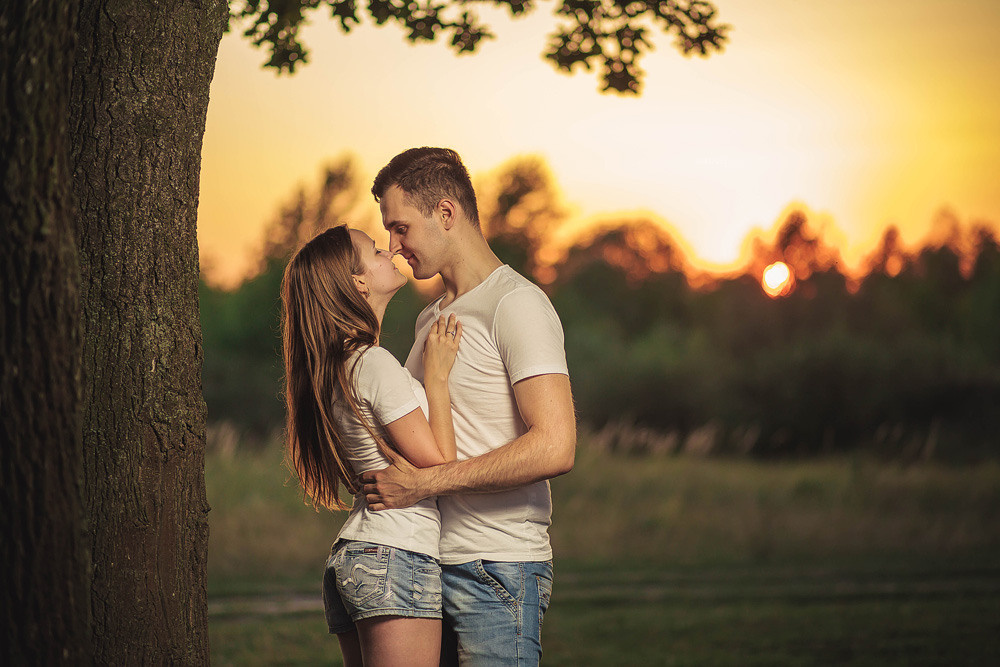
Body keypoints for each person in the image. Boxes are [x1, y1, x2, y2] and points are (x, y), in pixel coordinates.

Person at [361, 147, 577, 665]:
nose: (393, 247)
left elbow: (556, 446)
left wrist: (424, 483)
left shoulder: (515, 303)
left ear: (446, 213)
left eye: (400, 228)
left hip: (497, 568)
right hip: (428, 565)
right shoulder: (428, 319)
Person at [281, 224, 465, 667]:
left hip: (357, 555)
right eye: (376, 251)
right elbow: (439, 465)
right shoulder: (372, 362)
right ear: (358, 282)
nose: (390, 252)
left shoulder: (336, 367)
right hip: (395, 553)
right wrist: (437, 379)